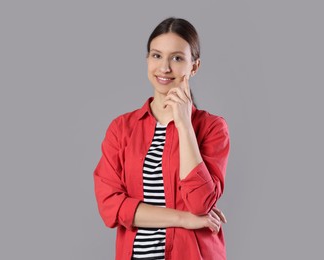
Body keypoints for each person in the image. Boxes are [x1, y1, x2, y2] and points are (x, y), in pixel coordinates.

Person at [93, 17, 230, 260]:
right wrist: (184, 219)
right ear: (147, 60)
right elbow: (110, 206)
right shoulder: (122, 129)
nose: (164, 68)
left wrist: (185, 125)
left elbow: (200, 203)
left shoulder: (211, 128)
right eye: (157, 56)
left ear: (194, 66)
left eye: (177, 58)